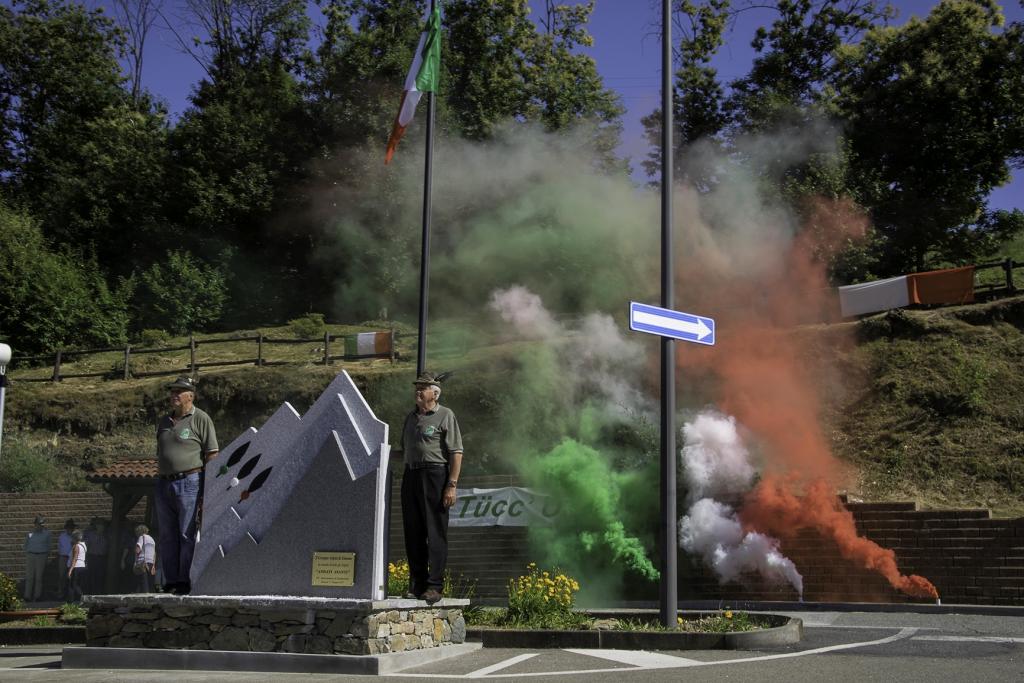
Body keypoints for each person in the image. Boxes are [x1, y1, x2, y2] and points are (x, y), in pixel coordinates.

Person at [400, 372, 463, 604]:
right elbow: (402, 451)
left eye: (423, 388)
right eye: (416, 387)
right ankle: (417, 583)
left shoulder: (445, 415)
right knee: (413, 531)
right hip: (411, 474)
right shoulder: (410, 418)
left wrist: (451, 485)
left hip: (435, 474)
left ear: (434, 394)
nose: (417, 391)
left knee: (435, 532)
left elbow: (456, 452)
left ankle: (434, 586)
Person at [155, 376, 218, 595]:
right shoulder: (164, 421)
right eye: (172, 391)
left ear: (190, 396)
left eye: (179, 392)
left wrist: (208, 488)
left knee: (185, 533)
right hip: (163, 482)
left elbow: (212, 454)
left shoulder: (200, 418)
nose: (174, 395)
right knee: (166, 534)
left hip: (190, 480)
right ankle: (170, 580)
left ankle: (185, 580)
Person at [22, 515, 51, 602]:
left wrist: (45, 555)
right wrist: (28, 552)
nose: (40, 526)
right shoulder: (30, 534)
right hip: (31, 555)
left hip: (41, 556)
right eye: (39, 524)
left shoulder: (47, 534)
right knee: (29, 577)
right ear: (35, 524)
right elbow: (25, 545)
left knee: (39, 577)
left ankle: (37, 596)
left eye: (42, 524)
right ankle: (27, 596)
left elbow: (49, 546)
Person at [83, 518, 108, 594]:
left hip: (102, 558)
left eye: (103, 526)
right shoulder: (90, 535)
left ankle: (99, 592)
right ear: (97, 526)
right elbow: (85, 547)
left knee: (100, 576)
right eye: (100, 525)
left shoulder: (106, 536)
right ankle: (90, 592)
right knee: (91, 576)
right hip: (92, 557)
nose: (102, 527)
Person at [133, 525, 157, 593]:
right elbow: (154, 553)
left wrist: (135, 560)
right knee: (149, 582)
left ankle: (144, 599)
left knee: (143, 582)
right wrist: (154, 565)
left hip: (142, 562)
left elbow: (138, 549)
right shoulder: (152, 540)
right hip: (151, 562)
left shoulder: (141, 537)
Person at [57, 519, 76, 600]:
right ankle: (61, 594)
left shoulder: (75, 537)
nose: (69, 530)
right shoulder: (62, 536)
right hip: (63, 557)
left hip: (72, 558)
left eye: (71, 528)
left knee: (71, 576)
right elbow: (59, 547)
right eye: (68, 528)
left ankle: (71, 594)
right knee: (62, 576)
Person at [67, 530, 87, 602]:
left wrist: (70, 570)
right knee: (78, 584)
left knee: (73, 585)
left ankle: (72, 601)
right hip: (82, 566)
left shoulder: (76, 546)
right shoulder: (83, 545)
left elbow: (74, 559)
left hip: (76, 567)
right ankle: (79, 599)